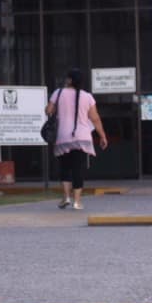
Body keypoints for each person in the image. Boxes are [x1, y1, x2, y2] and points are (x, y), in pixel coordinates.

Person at [45, 68, 108, 210]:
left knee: (65, 168)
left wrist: (51, 108)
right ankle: (77, 202)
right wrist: (102, 135)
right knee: (78, 169)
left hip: (63, 137)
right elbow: (95, 118)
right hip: (82, 137)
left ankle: (66, 197)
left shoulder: (58, 93)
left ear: (69, 80)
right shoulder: (88, 97)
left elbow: (49, 111)